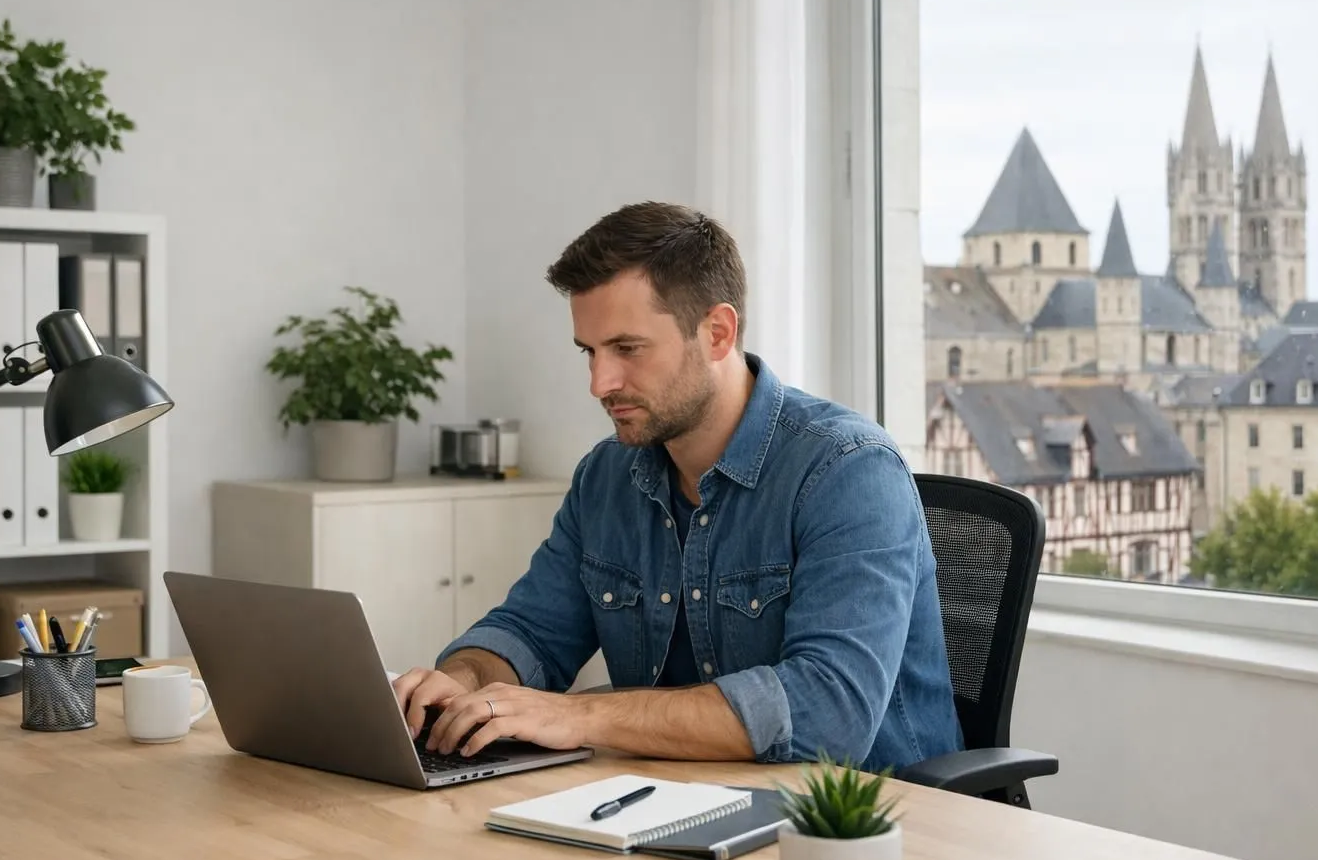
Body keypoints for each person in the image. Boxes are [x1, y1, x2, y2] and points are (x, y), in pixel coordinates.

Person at [392, 201, 962, 773]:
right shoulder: (608, 475)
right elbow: (531, 632)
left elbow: (828, 711)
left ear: (717, 332)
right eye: (590, 352)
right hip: (675, 802)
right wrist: (461, 682)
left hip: (863, 827)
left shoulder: (847, 469)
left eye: (627, 349)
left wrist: (580, 717)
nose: (599, 383)